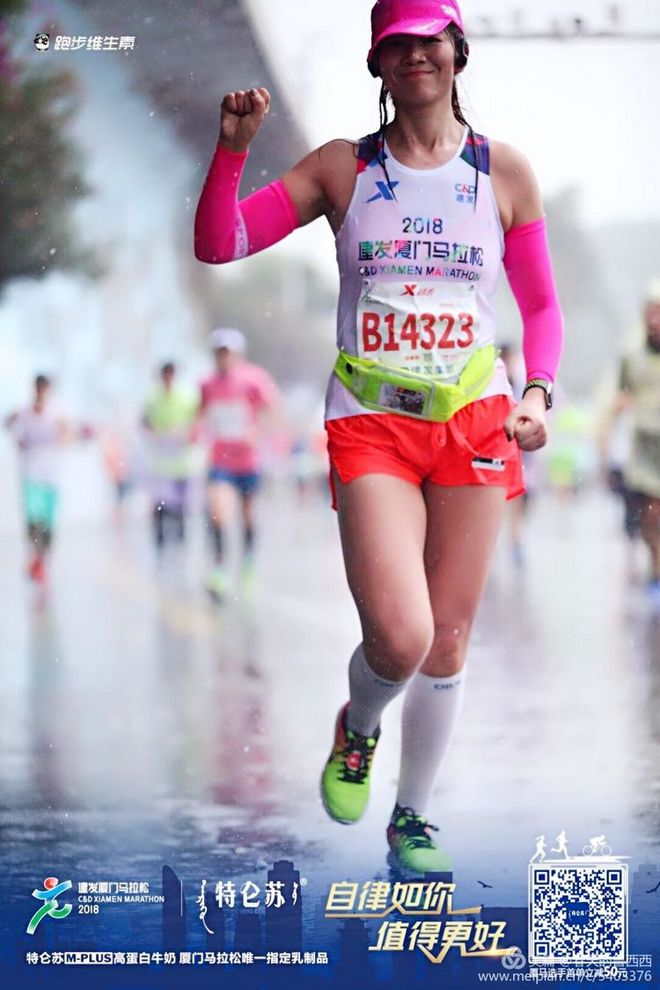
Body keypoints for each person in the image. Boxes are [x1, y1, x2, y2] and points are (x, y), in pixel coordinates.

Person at [194, 0, 563, 872]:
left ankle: (414, 818)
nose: (415, 56)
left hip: (477, 418)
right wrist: (233, 150)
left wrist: (539, 394)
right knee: (399, 635)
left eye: (429, 39)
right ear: (378, 65)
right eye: (396, 45)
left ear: (457, 51)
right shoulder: (341, 171)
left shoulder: (503, 173)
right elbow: (221, 242)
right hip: (372, 422)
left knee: (447, 639)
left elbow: (542, 307)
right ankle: (358, 728)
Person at [199, 328, 280, 599]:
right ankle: (220, 567)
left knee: (247, 514)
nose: (223, 357)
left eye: (228, 352)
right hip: (220, 459)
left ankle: (247, 563)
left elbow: (271, 410)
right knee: (218, 512)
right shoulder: (207, 383)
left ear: (237, 354)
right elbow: (199, 413)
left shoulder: (254, 379)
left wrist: (256, 432)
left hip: (248, 460)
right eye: (219, 352)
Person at [610, 281, 660, 607]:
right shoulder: (631, 358)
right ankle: (656, 572)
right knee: (650, 517)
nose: (655, 320)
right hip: (644, 450)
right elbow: (621, 398)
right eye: (651, 314)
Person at [5, 375, 70, 584]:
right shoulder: (24, 412)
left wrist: (63, 435)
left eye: (45, 388)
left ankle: (41, 561)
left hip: (51, 476)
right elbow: (9, 425)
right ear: (34, 389)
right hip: (31, 475)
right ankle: (35, 559)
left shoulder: (56, 414)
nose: (41, 392)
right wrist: (17, 437)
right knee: (35, 521)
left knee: (48, 524)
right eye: (39, 388)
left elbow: (67, 433)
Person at [142, 362, 198, 548]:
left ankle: (181, 541)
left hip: (181, 463)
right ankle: (159, 543)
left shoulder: (186, 397)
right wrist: (157, 433)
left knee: (180, 507)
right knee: (159, 506)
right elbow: (144, 422)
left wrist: (184, 434)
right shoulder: (152, 398)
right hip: (160, 463)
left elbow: (196, 424)